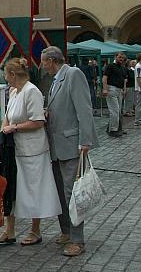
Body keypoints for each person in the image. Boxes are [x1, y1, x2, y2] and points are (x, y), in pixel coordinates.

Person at [40, 46, 99, 257]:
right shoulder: (56, 79)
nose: (42, 66)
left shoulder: (73, 74)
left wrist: (85, 140)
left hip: (72, 144)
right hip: (56, 146)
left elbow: (84, 108)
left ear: (52, 60)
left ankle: (77, 240)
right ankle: (66, 231)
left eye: (44, 62)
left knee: (72, 193)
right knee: (60, 193)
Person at [0, 58, 61, 246]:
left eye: (7, 75)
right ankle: (9, 230)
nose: (5, 78)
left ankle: (35, 230)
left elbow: (38, 121)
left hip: (32, 150)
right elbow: (7, 117)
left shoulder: (32, 91)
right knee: (12, 187)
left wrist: (14, 128)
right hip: (14, 149)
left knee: (33, 188)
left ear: (13, 74)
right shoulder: (14, 91)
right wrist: (3, 131)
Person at [102, 53, 127, 138]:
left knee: (118, 111)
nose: (121, 59)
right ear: (115, 57)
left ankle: (115, 128)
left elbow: (124, 79)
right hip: (111, 89)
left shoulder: (122, 68)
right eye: (119, 57)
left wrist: (124, 89)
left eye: (122, 58)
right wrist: (105, 89)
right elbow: (104, 78)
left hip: (119, 90)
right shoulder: (110, 66)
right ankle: (113, 130)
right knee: (114, 110)